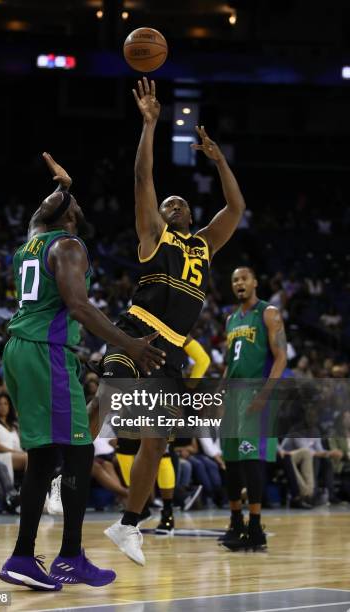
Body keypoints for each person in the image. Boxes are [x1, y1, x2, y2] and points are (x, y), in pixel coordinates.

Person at [0, 153, 165, 591]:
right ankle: (67, 557)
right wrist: (130, 345)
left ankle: (24, 557)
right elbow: (78, 305)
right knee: (78, 452)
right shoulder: (69, 246)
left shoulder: (33, 238)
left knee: (46, 457)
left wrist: (64, 185)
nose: (75, 204)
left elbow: (40, 211)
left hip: (22, 350)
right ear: (69, 216)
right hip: (42, 354)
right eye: (72, 202)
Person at [102, 77, 245, 565]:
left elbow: (237, 208)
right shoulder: (153, 237)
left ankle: (127, 526)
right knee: (105, 402)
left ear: (190, 214)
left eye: (179, 203)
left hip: (171, 351)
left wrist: (219, 159)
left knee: (157, 440)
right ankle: (61, 474)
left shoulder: (204, 243)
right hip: (136, 331)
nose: (172, 205)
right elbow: (144, 180)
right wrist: (149, 125)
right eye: (167, 205)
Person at [221, 267, 287, 551]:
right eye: (235, 279)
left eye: (244, 278)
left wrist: (265, 394)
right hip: (233, 395)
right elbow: (228, 363)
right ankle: (236, 522)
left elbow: (281, 357)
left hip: (256, 392)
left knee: (251, 460)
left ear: (255, 282)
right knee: (232, 462)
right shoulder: (230, 319)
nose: (239, 283)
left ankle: (256, 525)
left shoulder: (268, 313)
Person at [0, 393, 27, 483]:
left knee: (37, 457)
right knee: (29, 458)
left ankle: (41, 491)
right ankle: (29, 489)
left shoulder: (14, 425)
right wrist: (16, 452)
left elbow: (22, 444)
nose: (3, 407)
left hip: (17, 454)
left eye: (6, 404)